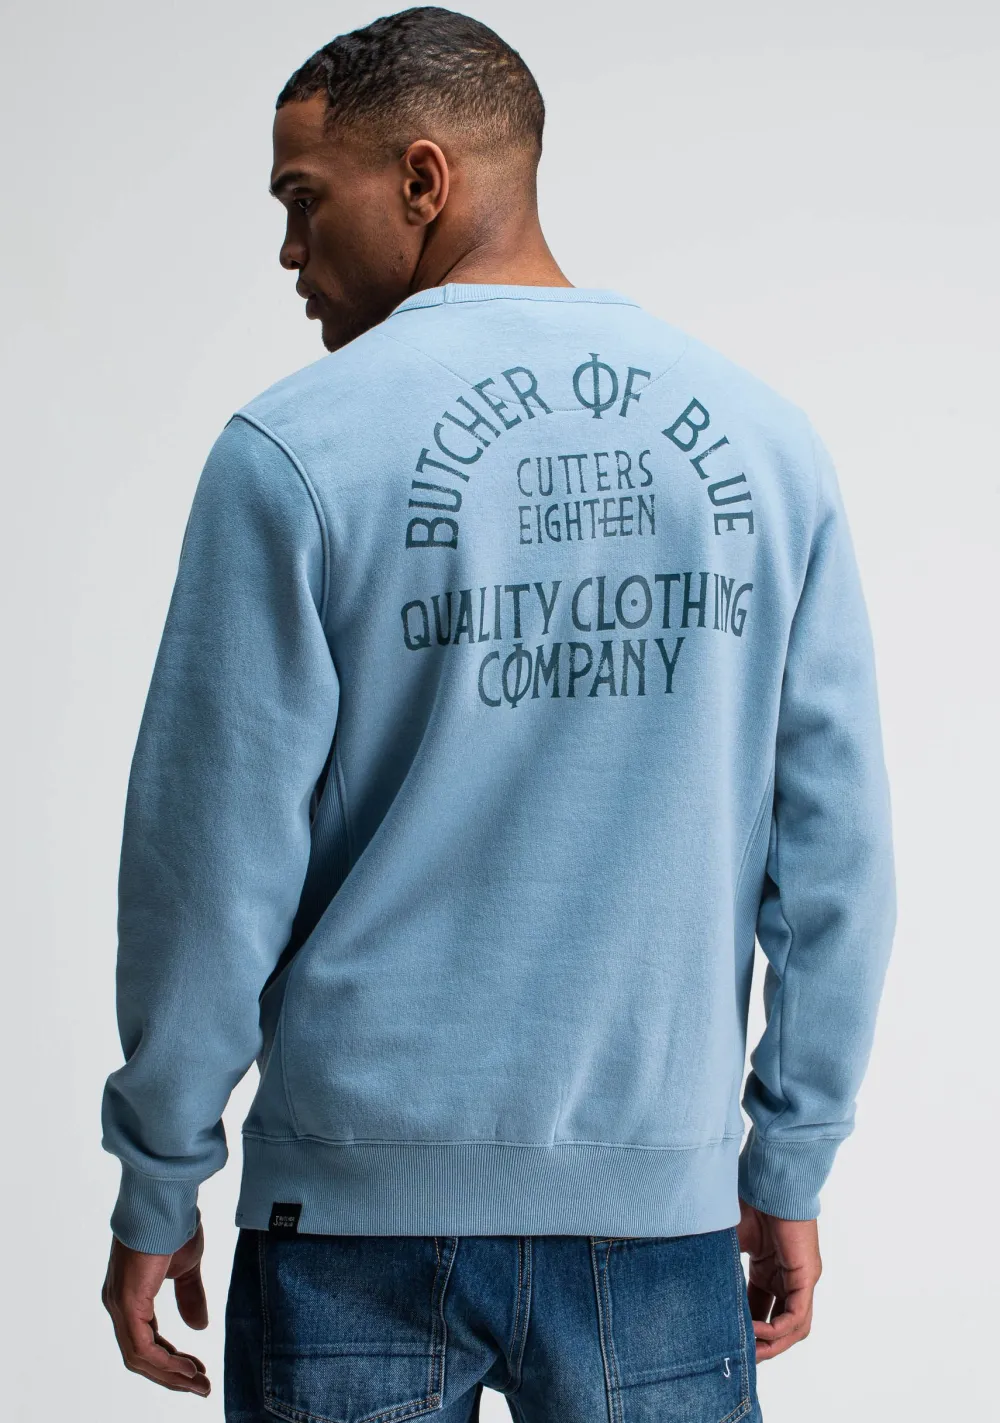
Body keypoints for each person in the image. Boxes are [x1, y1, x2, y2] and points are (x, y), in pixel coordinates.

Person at [99, 8, 896, 1420]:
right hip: (657, 1225)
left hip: (347, 1230)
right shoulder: (766, 449)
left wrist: (161, 1174)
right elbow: (838, 863)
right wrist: (788, 1164)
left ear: (423, 179)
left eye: (303, 200)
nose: (288, 253)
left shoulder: (291, 454)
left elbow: (205, 869)